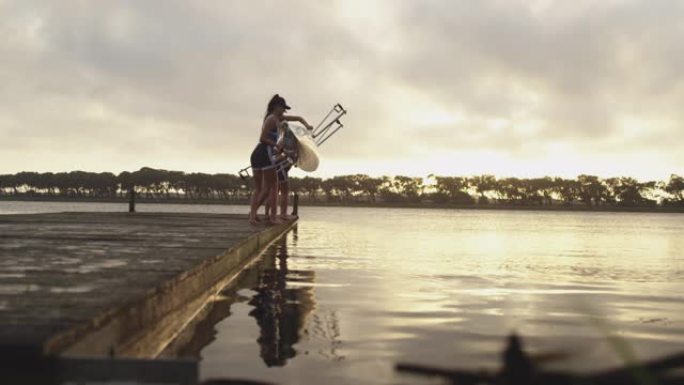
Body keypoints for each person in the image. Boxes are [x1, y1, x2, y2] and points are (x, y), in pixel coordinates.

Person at [249, 94, 312, 225]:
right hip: (264, 153)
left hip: (258, 154)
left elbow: (298, 118)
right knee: (273, 186)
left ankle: (253, 216)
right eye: (283, 108)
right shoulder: (272, 119)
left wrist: (307, 125)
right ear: (276, 107)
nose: (284, 111)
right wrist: (276, 145)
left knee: (260, 189)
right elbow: (262, 138)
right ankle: (272, 217)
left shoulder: (278, 118)